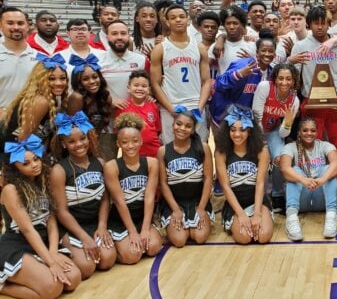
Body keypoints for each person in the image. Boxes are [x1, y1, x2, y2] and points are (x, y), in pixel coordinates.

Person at [0, 136, 81, 299]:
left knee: (73, 279)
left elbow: (51, 222)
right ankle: (3, 287)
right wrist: (51, 263)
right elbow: (28, 230)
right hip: (17, 245)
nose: (34, 165)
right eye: (26, 163)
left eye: (36, 159)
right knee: (51, 289)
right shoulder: (11, 190)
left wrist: (53, 253)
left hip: (42, 242)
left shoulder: (43, 181)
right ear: (14, 168)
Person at [50, 112, 117, 279]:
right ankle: (61, 249)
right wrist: (84, 238)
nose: (78, 144)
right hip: (71, 227)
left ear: (89, 138)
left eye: (82, 139)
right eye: (71, 141)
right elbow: (61, 212)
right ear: (64, 144)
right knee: (86, 268)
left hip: (94, 223)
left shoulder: (100, 163)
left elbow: (105, 199)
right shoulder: (59, 170)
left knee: (107, 261)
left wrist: (102, 226)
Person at [292, 6, 337, 160]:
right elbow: (294, 77)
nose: (319, 27)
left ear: (329, 24)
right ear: (309, 24)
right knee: (311, 144)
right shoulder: (300, 46)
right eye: (315, 23)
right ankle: (313, 180)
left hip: (335, 100)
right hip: (310, 101)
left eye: (323, 23)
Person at [104, 113, 162, 264]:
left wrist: (144, 229)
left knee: (153, 247)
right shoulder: (112, 167)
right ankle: (117, 246)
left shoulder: (151, 163)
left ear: (141, 141)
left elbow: (149, 198)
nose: (130, 146)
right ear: (118, 143)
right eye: (125, 142)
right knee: (133, 256)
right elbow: (119, 202)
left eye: (135, 141)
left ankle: (134, 237)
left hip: (142, 217)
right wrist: (132, 232)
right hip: (120, 219)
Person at [150, 5, 211, 143]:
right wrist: (170, 109)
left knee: (199, 149)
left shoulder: (199, 47)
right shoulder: (160, 49)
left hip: (195, 104)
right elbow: (155, 83)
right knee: (171, 151)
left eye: (181, 17)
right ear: (166, 22)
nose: (178, 20)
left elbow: (206, 81)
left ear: (188, 20)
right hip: (171, 105)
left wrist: (200, 107)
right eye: (173, 18)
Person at [215, 106, 273, 244]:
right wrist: (241, 215)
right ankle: (231, 219)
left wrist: (257, 213)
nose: (237, 134)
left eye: (242, 130)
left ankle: (264, 214)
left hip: (257, 202)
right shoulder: (221, 153)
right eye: (233, 129)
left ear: (250, 131)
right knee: (244, 239)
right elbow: (225, 186)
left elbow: (260, 184)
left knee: (263, 237)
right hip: (235, 204)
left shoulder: (262, 150)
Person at [158, 107, 214, 248]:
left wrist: (201, 208)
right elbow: (163, 183)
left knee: (199, 237)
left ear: (193, 129)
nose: (182, 128)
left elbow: (208, 179)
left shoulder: (203, 148)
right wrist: (175, 210)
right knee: (179, 240)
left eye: (188, 126)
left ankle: (200, 219)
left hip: (197, 201)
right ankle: (177, 221)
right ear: (172, 125)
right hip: (174, 203)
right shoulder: (163, 151)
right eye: (178, 124)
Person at [279, 116, 337, 240]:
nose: (309, 133)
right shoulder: (290, 147)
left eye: (312, 130)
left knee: (327, 169)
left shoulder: (324, 145)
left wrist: (322, 179)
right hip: (301, 197)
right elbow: (284, 169)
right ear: (299, 133)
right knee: (294, 171)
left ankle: (331, 216)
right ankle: (291, 218)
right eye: (305, 130)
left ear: (317, 132)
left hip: (321, 195)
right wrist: (303, 180)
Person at [94, 20, 147, 160]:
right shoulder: (97, 61)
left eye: (123, 33)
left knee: (135, 164)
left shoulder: (141, 60)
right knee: (106, 162)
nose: (119, 37)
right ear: (107, 37)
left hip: (135, 123)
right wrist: (109, 100)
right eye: (114, 33)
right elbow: (92, 90)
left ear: (128, 36)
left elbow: (149, 85)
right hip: (108, 123)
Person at [251, 62, 300, 210]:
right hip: (255, 129)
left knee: (280, 158)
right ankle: (262, 197)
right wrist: (262, 143)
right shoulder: (265, 87)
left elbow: (282, 133)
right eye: (281, 78)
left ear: (293, 81)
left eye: (288, 79)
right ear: (275, 79)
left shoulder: (294, 100)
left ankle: (277, 194)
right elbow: (256, 116)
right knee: (262, 161)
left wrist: (288, 123)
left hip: (274, 131)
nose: (284, 82)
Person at [209, 30, 276, 126]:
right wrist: (238, 74)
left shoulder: (272, 73)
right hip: (224, 116)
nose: (267, 54)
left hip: (245, 121)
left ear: (275, 55)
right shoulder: (243, 64)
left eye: (270, 51)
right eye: (263, 50)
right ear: (257, 53)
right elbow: (219, 85)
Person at [0, 54, 68, 146]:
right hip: (14, 154)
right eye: (51, 79)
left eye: (62, 78)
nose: (59, 83)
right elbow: (22, 141)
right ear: (40, 80)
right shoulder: (40, 102)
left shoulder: (53, 98)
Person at [113, 70, 161, 157]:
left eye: (144, 86)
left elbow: (157, 129)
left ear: (149, 89)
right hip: (132, 153)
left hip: (154, 151)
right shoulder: (122, 107)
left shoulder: (153, 105)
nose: (140, 88)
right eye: (136, 85)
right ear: (128, 88)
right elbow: (119, 133)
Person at [0, 8, 38, 113]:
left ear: (27, 26)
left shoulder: (39, 57)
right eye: (10, 23)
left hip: (30, 120)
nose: (16, 27)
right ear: (1, 26)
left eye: (20, 23)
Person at [66, 53, 112, 139]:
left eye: (95, 77)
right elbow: (70, 129)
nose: (92, 81)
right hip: (78, 145)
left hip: (96, 143)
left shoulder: (106, 97)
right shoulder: (77, 98)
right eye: (85, 79)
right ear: (79, 82)